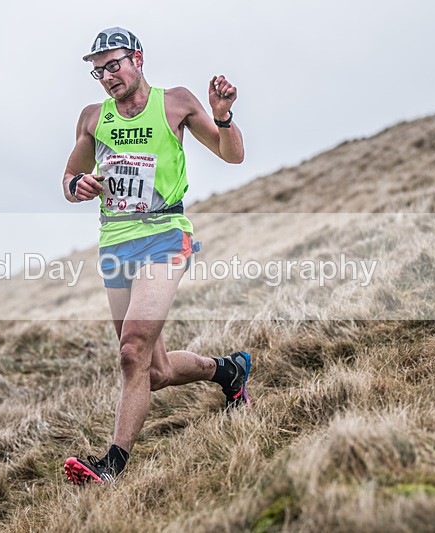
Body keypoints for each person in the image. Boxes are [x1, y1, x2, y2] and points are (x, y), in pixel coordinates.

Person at [61, 27, 251, 485]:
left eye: (114, 65)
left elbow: (232, 155)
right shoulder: (92, 118)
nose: (108, 76)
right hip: (115, 242)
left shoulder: (176, 103)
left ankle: (111, 466)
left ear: (138, 59)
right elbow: (69, 177)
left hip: (165, 234)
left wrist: (223, 118)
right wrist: (78, 185)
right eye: (99, 70)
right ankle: (229, 371)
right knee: (155, 371)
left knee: (132, 352)